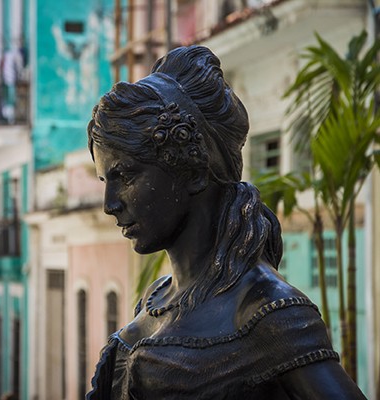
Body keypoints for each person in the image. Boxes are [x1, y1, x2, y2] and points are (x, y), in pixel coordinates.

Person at [85, 45, 365, 399]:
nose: (110, 205)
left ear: (191, 170)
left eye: (125, 175)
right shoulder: (155, 297)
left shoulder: (267, 310)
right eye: (104, 181)